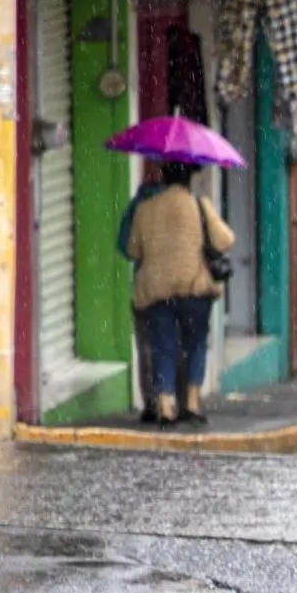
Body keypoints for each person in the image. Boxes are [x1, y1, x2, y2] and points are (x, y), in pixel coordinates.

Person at [126, 162, 234, 427]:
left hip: (157, 290)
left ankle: (165, 406)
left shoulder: (145, 209)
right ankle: (192, 403)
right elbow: (225, 239)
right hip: (193, 287)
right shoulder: (199, 205)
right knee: (194, 344)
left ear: (163, 176)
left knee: (162, 346)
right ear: (190, 178)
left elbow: (132, 250)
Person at [117, 170, 165, 422]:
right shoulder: (187, 202)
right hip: (176, 288)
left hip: (145, 286)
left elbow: (126, 246)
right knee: (174, 345)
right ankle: (172, 401)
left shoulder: (139, 205)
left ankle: (152, 403)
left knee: (146, 346)